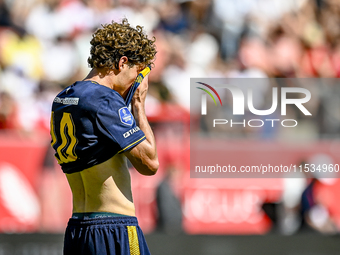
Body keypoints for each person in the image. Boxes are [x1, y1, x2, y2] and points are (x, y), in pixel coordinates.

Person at [50, 18, 158, 255]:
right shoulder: (104, 99)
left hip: (78, 231)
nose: (135, 82)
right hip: (113, 230)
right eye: (138, 73)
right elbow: (150, 164)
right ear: (122, 62)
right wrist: (138, 104)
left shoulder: (62, 99)